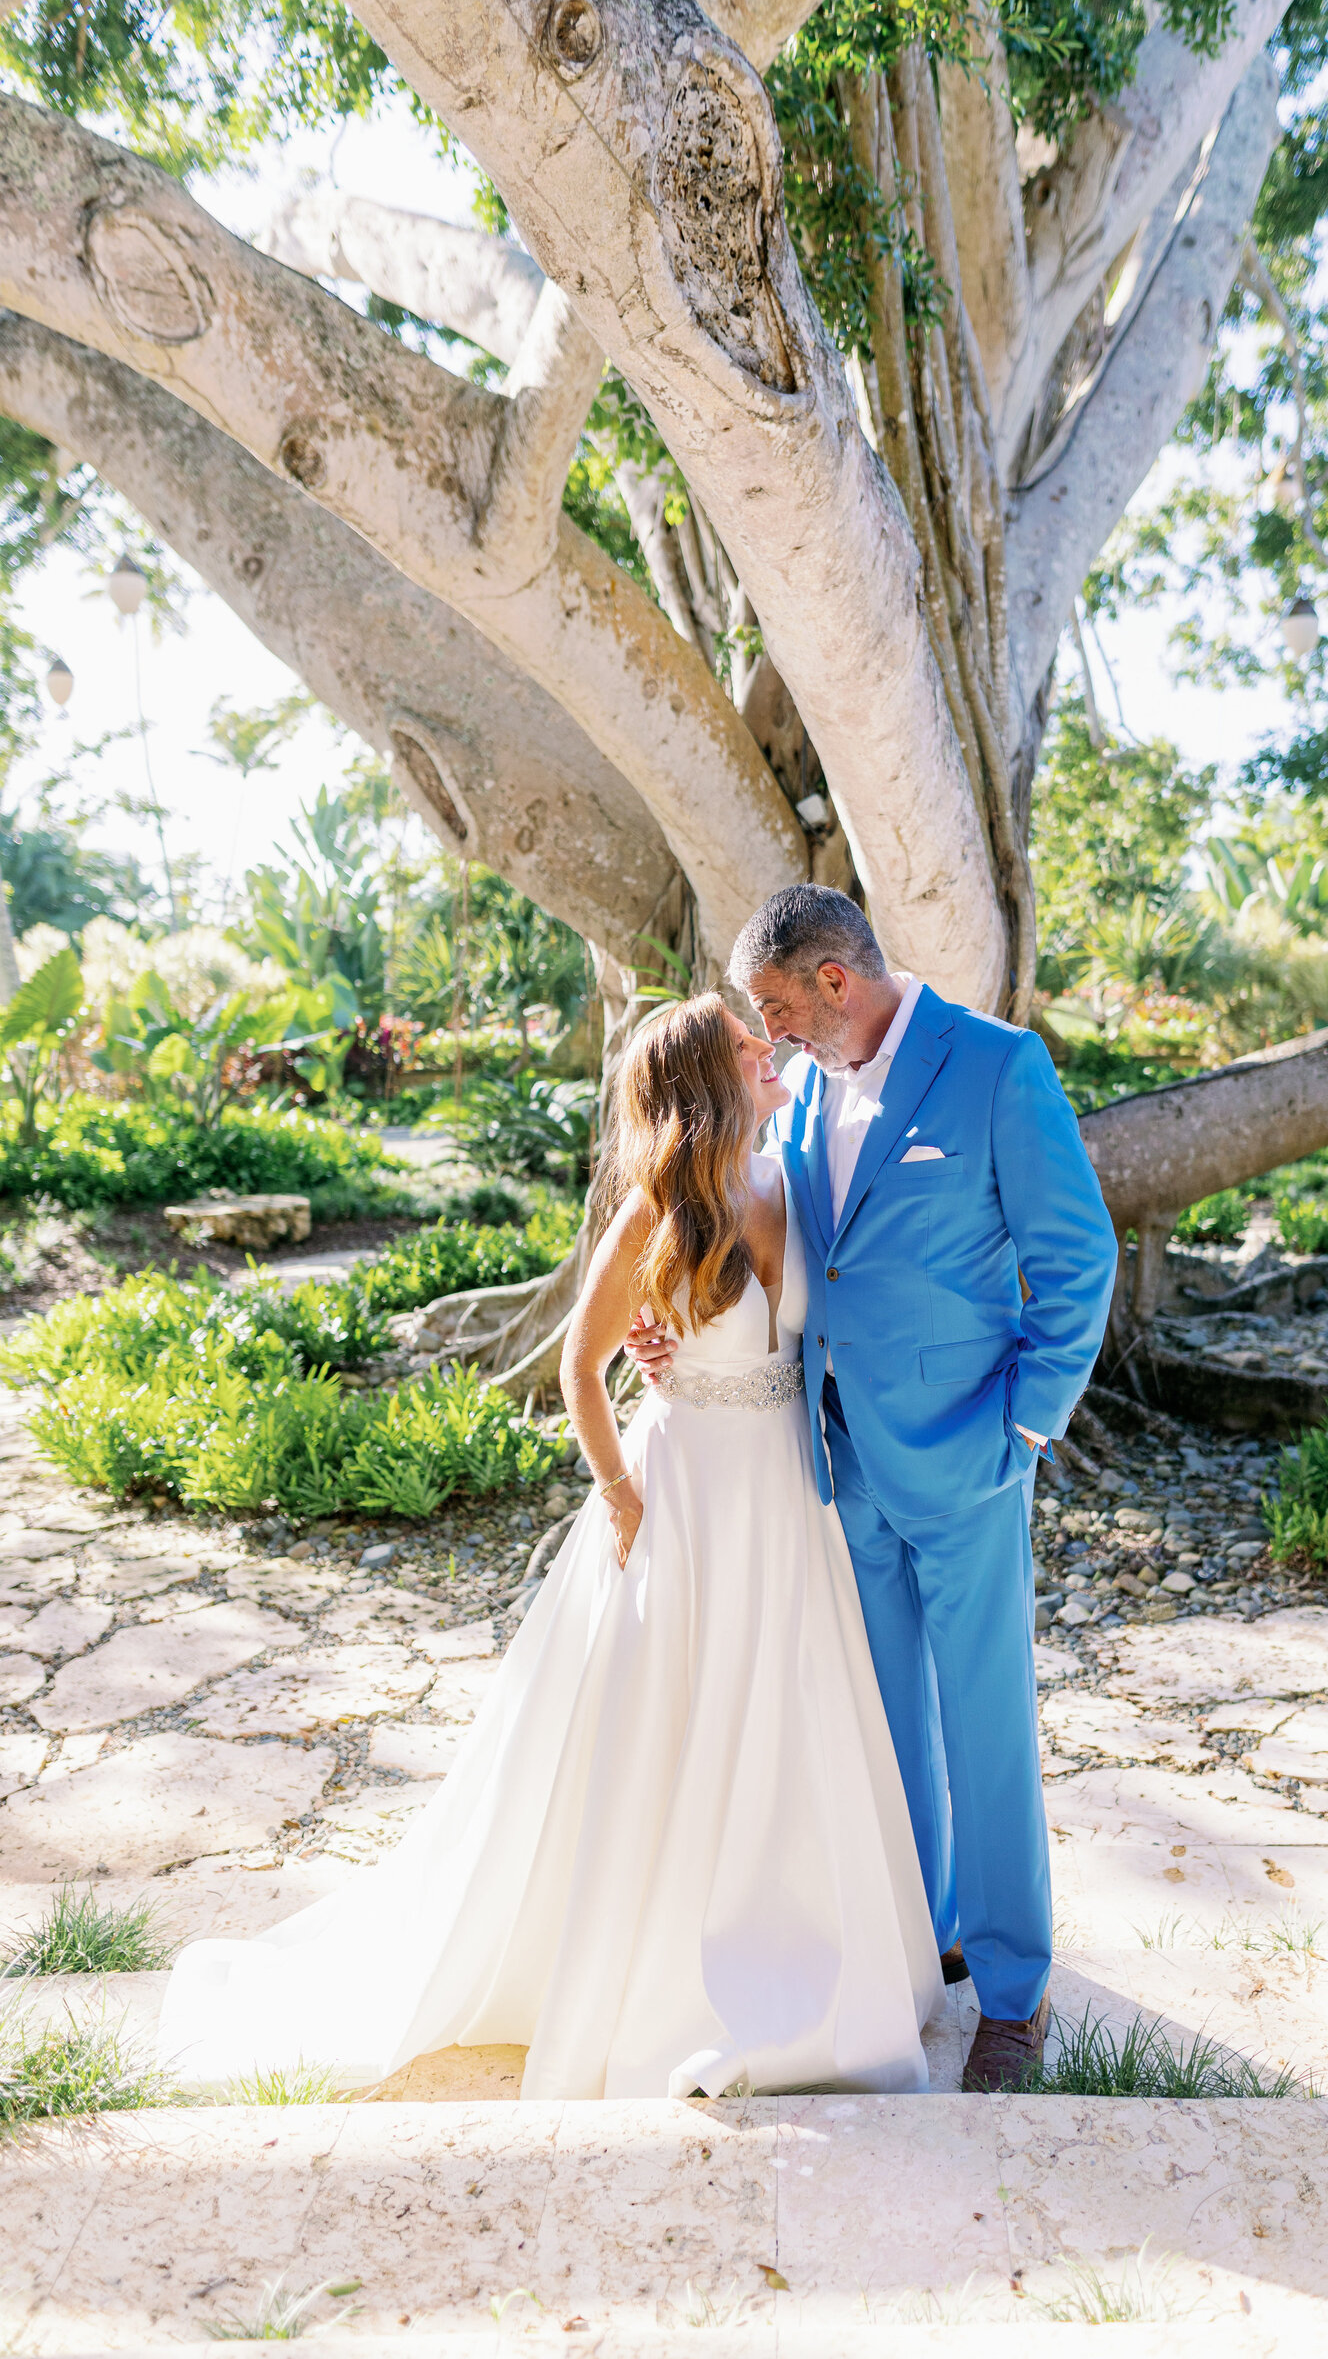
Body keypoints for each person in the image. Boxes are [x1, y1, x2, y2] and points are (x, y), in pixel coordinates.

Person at [158, 993, 942, 2100]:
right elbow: (580, 1369)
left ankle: (806, 1943)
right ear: (708, 1084)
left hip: (783, 1492)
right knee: (674, 1717)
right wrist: (620, 1491)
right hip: (685, 1497)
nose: (770, 1051)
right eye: (744, 1045)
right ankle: (670, 1974)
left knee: (785, 1708)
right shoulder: (654, 1216)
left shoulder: (790, 1178)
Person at [627, 889, 1119, 2090]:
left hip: (966, 1461)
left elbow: (1077, 1257)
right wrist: (674, 1338)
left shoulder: (998, 1070)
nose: (776, 1035)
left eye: (784, 1009)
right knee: (884, 1725)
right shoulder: (800, 1091)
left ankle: (1013, 1993)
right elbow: (784, 1248)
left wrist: (1026, 1430)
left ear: (838, 982)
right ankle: (917, 1945)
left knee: (986, 1730)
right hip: (834, 1468)